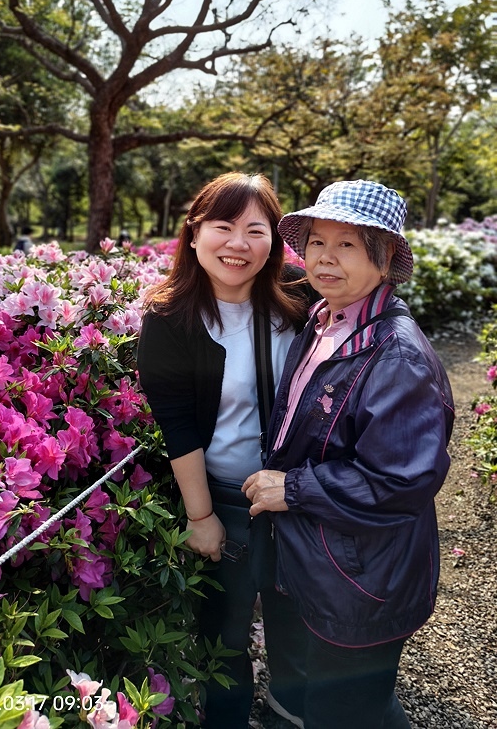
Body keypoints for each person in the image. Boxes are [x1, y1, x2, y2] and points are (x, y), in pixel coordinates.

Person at [242, 179, 455, 729]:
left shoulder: (397, 356)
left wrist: (289, 488)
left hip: (361, 575)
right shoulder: (324, 319)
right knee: (315, 689)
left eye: (347, 245)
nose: (324, 258)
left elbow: (398, 481)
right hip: (318, 554)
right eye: (316, 242)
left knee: (352, 709)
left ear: (384, 261)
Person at [137, 172, 310, 728]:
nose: (238, 243)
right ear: (193, 235)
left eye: (255, 230)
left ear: (274, 243)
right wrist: (201, 515)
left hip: (305, 500)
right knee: (227, 638)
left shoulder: (301, 303)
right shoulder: (169, 320)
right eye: (223, 226)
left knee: (301, 631)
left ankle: (291, 717)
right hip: (228, 502)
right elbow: (179, 425)